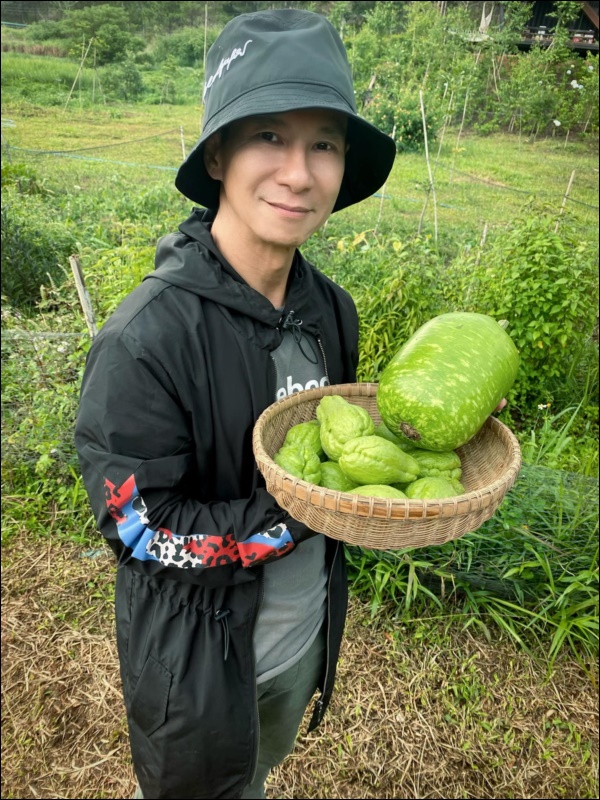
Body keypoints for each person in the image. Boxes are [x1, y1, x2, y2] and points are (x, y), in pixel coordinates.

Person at [74, 8, 396, 800]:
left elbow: (338, 444)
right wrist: (300, 515)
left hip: (302, 641)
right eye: (269, 136)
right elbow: (138, 529)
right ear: (217, 154)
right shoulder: (146, 340)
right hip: (198, 670)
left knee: (259, 768)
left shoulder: (331, 311)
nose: (299, 173)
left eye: (324, 144)